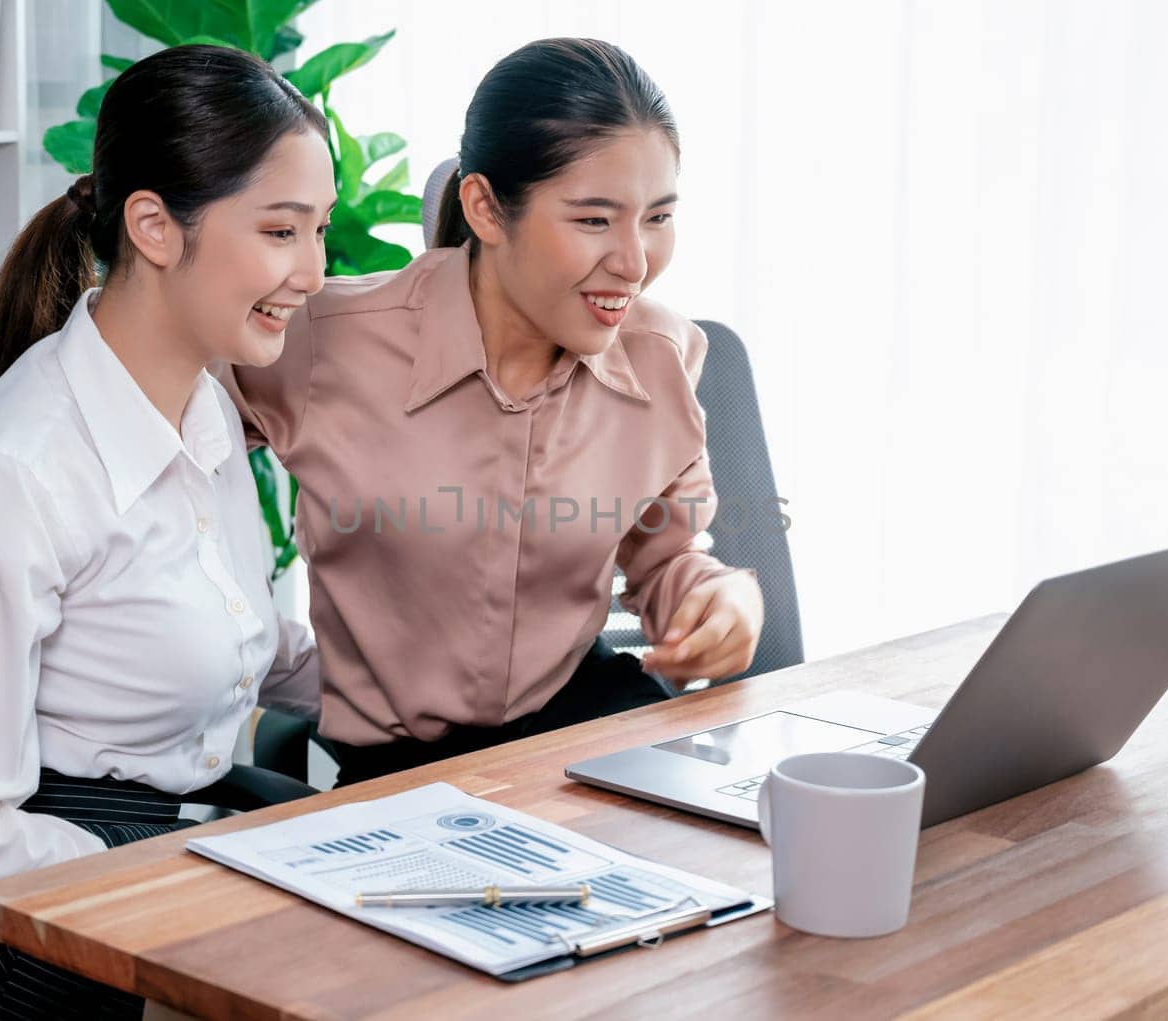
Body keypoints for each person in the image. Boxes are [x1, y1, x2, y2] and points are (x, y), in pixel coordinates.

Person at [0, 45, 335, 1018]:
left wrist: (426, 685)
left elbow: (252, 642)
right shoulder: (20, 471)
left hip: (152, 861)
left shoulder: (201, 412)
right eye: (282, 230)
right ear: (156, 227)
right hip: (16, 922)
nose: (314, 272)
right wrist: (165, 875)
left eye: (319, 230)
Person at [227, 38, 765, 786]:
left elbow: (663, 556)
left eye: (658, 217)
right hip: (402, 774)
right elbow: (160, 453)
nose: (635, 262)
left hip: (589, 728)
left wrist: (718, 595)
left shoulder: (662, 352)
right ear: (484, 207)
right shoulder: (321, 343)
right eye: (594, 220)